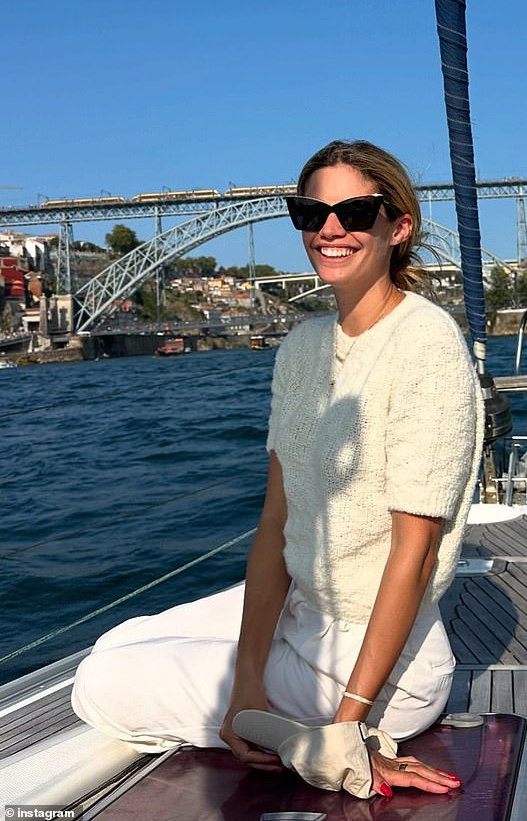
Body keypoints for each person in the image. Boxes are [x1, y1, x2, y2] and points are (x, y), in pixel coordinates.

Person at [72, 139, 484, 799]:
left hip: (378, 666)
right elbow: (275, 522)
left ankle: (302, 731)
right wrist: (244, 682)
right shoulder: (301, 347)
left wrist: (347, 729)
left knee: (98, 684)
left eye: (355, 211)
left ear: (398, 224)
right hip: (305, 612)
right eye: (311, 212)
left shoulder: (427, 342)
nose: (330, 228)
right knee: (122, 637)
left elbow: (416, 548)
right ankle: (266, 718)